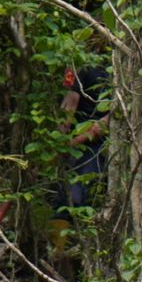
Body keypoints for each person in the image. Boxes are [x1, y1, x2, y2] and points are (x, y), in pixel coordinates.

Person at [49, 45, 110, 254]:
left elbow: (108, 121)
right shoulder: (82, 65)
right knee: (65, 197)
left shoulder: (119, 69)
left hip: (98, 143)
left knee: (81, 196)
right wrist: (61, 138)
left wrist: (74, 141)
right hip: (75, 144)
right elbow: (70, 102)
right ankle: (57, 251)